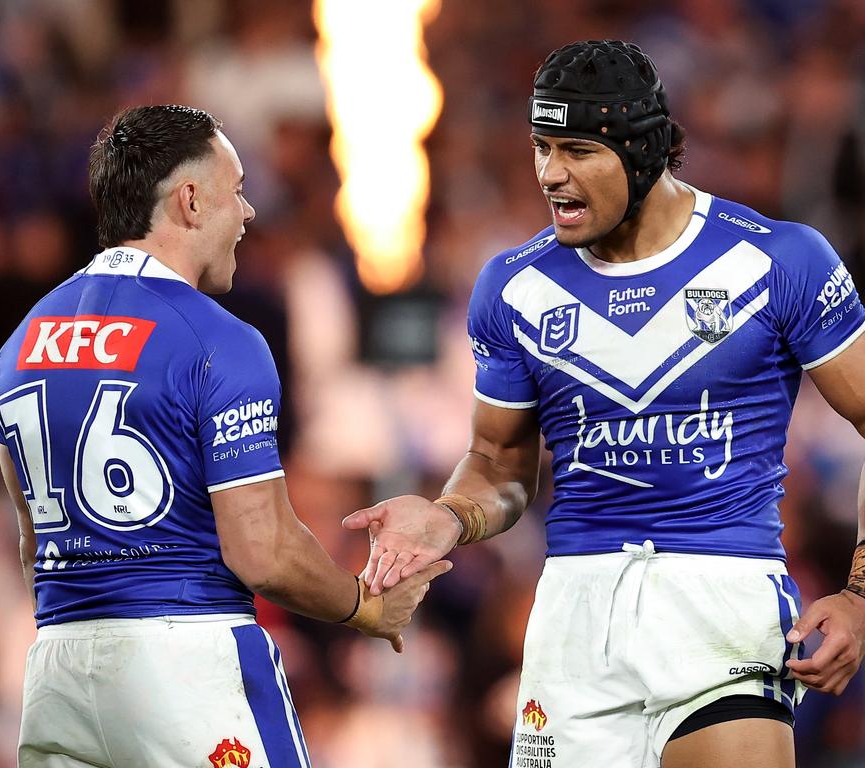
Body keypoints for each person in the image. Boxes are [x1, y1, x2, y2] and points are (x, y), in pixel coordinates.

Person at [343, 40, 865, 768]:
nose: (551, 174)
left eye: (579, 150)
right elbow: (497, 465)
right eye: (541, 147)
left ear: (645, 153)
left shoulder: (778, 260)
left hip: (722, 600)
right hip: (574, 615)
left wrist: (860, 594)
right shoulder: (513, 286)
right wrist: (447, 517)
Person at [0, 105, 451, 768]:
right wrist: (365, 608)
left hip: (58, 665)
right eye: (237, 190)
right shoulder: (217, 339)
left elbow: (33, 546)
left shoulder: (20, 342)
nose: (248, 213)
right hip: (187, 665)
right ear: (190, 201)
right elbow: (261, 551)